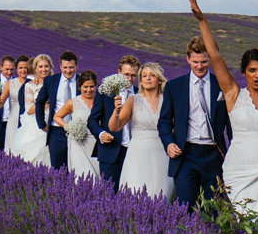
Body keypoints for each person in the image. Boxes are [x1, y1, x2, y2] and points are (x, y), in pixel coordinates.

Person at [188, 0, 258, 230]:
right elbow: (214, 55)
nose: (257, 75)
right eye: (252, 70)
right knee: (238, 224)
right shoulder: (234, 94)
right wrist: (202, 20)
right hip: (239, 170)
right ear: (244, 72)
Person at [158, 25, 231, 207]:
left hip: (214, 154)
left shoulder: (222, 86)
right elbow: (164, 122)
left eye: (204, 62)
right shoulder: (174, 87)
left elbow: (232, 126)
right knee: (184, 205)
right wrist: (169, 143)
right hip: (185, 154)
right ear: (188, 59)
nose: (200, 66)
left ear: (210, 60)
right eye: (196, 61)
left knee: (215, 208)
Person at [111, 61, 174, 200]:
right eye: (144, 75)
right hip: (138, 154)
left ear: (159, 79)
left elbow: (175, 126)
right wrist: (116, 111)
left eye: (152, 75)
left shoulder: (168, 100)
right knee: (135, 190)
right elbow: (115, 127)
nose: (148, 78)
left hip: (162, 153)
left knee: (161, 192)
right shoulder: (133, 100)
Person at [90, 55, 140, 186]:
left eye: (133, 76)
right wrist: (101, 133)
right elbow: (92, 120)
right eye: (126, 74)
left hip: (134, 151)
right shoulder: (106, 93)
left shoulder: (140, 94)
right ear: (119, 72)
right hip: (110, 151)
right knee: (108, 193)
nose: (130, 79)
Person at [53, 70, 100, 180]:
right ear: (80, 87)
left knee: (98, 176)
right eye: (85, 87)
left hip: (96, 143)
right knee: (82, 176)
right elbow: (57, 116)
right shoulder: (72, 102)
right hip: (78, 144)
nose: (89, 90)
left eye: (92, 87)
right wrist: (68, 127)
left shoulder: (100, 100)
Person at [36, 50, 79, 169]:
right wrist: (42, 123)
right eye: (65, 67)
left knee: (76, 166)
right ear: (60, 66)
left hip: (78, 130)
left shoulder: (82, 82)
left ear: (76, 66)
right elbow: (39, 101)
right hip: (57, 130)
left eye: (71, 67)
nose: (68, 71)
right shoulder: (51, 81)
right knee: (57, 166)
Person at [11, 54, 52, 164]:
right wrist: (46, 105)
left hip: (53, 119)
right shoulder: (29, 85)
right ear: (35, 69)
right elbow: (29, 109)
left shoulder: (55, 83)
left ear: (50, 67)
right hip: (35, 122)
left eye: (46, 66)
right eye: (40, 66)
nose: (44, 69)